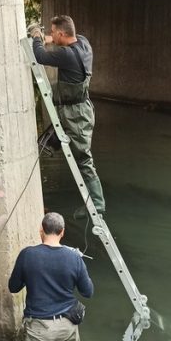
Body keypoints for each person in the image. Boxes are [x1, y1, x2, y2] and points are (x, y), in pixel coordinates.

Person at [9, 211, 93, 341]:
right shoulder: (74, 258)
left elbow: (13, 287)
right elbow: (88, 292)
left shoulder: (28, 255)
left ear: (41, 231)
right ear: (62, 232)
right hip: (67, 325)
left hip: (37, 326)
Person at [28, 14, 106, 217]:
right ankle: (54, 144)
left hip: (76, 115)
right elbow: (62, 38)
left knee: (83, 159)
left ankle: (97, 204)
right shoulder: (83, 43)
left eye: (53, 33)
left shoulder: (66, 55)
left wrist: (37, 36)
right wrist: (50, 38)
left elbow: (39, 56)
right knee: (46, 143)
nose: (51, 36)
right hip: (77, 109)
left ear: (62, 34)